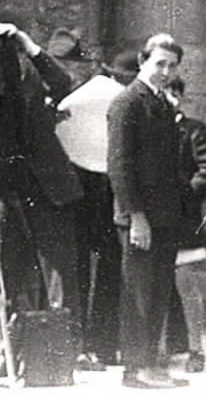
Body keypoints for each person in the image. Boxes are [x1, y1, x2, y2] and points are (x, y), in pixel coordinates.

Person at [0, 21, 84, 380]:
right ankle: (10, 352)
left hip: (47, 193)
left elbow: (63, 83)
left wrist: (30, 46)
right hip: (8, 197)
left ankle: (64, 352)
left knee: (58, 275)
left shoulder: (30, 85)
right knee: (8, 275)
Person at [107, 33, 190, 390]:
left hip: (164, 215)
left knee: (157, 291)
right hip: (140, 217)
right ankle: (135, 368)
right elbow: (120, 165)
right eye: (159, 63)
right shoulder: (129, 103)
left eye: (171, 66)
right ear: (143, 62)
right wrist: (136, 216)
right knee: (139, 292)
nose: (165, 71)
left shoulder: (161, 103)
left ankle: (151, 365)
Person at [56, 49, 139, 370]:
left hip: (94, 192)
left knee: (89, 271)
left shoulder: (84, 100)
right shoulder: (102, 99)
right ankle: (96, 346)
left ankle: (94, 345)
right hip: (94, 193)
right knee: (102, 270)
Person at [161, 74, 206, 373]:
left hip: (182, 219)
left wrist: (186, 194)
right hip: (155, 218)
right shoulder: (149, 128)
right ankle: (157, 349)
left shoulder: (192, 130)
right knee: (153, 286)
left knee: (186, 284)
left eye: (171, 92)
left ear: (178, 95)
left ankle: (196, 349)